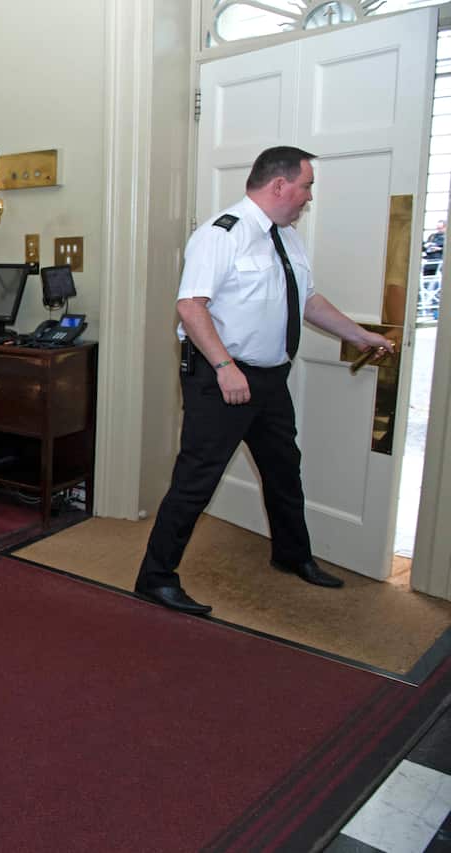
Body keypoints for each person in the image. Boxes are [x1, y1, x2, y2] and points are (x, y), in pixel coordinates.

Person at [134, 146, 396, 616]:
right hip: (223, 378)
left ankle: (292, 555)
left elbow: (308, 301)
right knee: (196, 480)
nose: (308, 197)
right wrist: (224, 367)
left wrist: (358, 335)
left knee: (283, 469)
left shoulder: (287, 238)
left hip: (270, 378)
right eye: (306, 186)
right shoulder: (221, 235)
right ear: (280, 185)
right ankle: (155, 577)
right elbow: (191, 307)